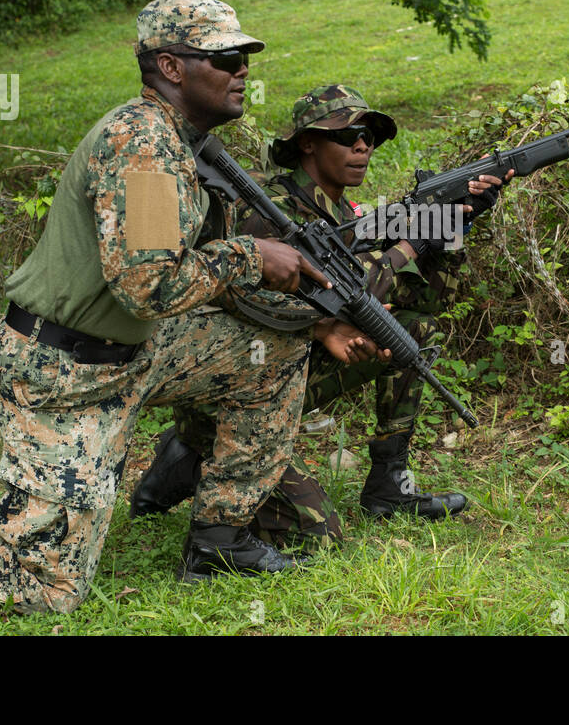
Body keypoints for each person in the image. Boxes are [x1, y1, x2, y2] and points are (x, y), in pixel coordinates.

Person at [0, 0, 388, 611]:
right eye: (226, 57)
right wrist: (253, 257)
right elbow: (150, 286)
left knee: (277, 350)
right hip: (62, 374)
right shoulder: (145, 147)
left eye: (243, 58)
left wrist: (316, 319)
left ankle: (220, 540)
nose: (242, 71)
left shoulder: (179, 143)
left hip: (131, 351)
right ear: (171, 68)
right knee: (47, 590)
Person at [130, 84, 511, 532]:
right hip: (242, 392)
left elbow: (422, 300)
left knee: (413, 332)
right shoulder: (272, 211)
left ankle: (390, 485)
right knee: (318, 530)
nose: (363, 146)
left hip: (290, 372)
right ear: (307, 143)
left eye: (369, 136)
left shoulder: (346, 213)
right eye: (348, 136)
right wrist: (412, 241)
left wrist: (454, 224)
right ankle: (192, 457)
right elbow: (345, 289)